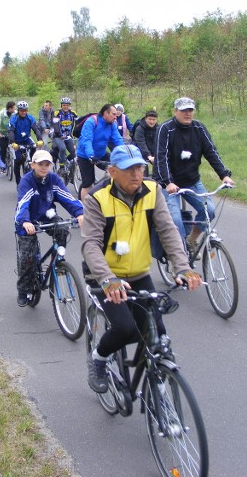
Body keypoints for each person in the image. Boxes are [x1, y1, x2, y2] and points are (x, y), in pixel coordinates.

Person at [81, 144, 202, 393]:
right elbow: (91, 244)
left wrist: (182, 267)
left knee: (155, 331)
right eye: (129, 169)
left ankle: (157, 381)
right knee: (125, 329)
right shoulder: (96, 197)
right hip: (104, 277)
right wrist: (107, 279)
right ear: (113, 172)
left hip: (138, 273)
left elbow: (167, 230)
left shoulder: (152, 190)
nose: (136, 174)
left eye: (140, 167)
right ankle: (99, 358)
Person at [154, 97, 235, 255]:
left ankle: (191, 240)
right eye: (184, 110)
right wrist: (168, 182)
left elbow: (211, 153)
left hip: (191, 181)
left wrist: (224, 175)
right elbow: (160, 158)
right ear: (175, 111)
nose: (188, 113)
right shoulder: (166, 129)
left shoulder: (199, 128)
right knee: (176, 220)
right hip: (169, 184)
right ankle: (176, 255)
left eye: (190, 110)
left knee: (209, 211)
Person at [14, 150, 84, 307]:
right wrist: (25, 221)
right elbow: (22, 204)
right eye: (40, 164)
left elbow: (67, 198)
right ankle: (24, 289)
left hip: (47, 215)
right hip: (27, 219)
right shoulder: (27, 181)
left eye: (47, 164)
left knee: (63, 229)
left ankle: (57, 262)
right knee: (28, 257)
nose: (44, 167)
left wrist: (80, 214)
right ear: (33, 165)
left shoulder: (53, 180)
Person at [75, 103, 124, 200]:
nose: (116, 117)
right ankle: (84, 210)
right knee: (88, 184)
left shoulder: (112, 124)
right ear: (106, 113)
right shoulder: (92, 121)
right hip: (85, 155)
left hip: (101, 154)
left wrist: (125, 152)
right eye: (113, 114)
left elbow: (117, 139)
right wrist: (91, 155)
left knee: (117, 171)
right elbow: (87, 140)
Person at [8, 100, 44, 185]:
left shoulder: (30, 118)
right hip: (17, 141)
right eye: (22, 111)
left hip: (26, 139)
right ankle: (18, 181)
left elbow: (36, 129)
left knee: (34, 148)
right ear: (18, 110)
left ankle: (31, 165)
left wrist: (40, 140)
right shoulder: (14, 119)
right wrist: (13, 142)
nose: (24, 112)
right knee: (18, 160)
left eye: (25, 110)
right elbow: (11, 131)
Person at [51, 96, 78, 168]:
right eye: (64, 105)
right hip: (58, 136)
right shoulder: (57, 113)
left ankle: (67, 160)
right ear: (61, 106)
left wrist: (78, 133)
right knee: (62, 148)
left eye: (67, 105)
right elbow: (55, 125)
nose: (65, 107)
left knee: (74, 152)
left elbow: (78, 124)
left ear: (70, 106)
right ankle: (61, 167)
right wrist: (59, 134)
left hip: (68, 136)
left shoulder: (73, 113)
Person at [132, 109, 159, 176]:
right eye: (150, 119)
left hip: (153, 151)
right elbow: (141, 143)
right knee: (143, 168)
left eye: (154, 119)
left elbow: (160, 143)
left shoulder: (159, 128)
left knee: (161, 164)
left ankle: (159, 181)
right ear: (145, 119)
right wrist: (149, 156)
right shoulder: (139, 128)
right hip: (140, 151)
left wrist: (157, 155)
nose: (152, 122)